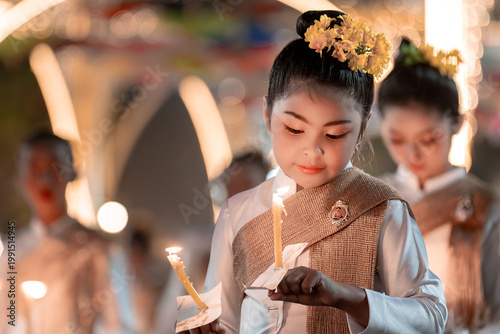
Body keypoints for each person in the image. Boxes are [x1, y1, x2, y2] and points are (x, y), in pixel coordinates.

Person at [185, 11, 447, 334]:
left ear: (362, 129)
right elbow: (224, 320)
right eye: (294, 129)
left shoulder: (382, 208)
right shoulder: (237, 213)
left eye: (334, 135)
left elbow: (431, 316)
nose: (313, 150)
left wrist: (346, 297)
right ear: (267, 116)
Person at [377, 38, 500, 333]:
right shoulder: (372, 199)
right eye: (397, 140)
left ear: (457, 123)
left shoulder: (485, 205)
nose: (412, 154)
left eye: (428, 139)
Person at [0, 132, 128, 334]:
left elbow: (118, 324)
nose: (44, 178)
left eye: (54, 167)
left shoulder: (99, 248)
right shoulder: (11, 252)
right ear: (20, 178)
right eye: (34, 169)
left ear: (72, 172)